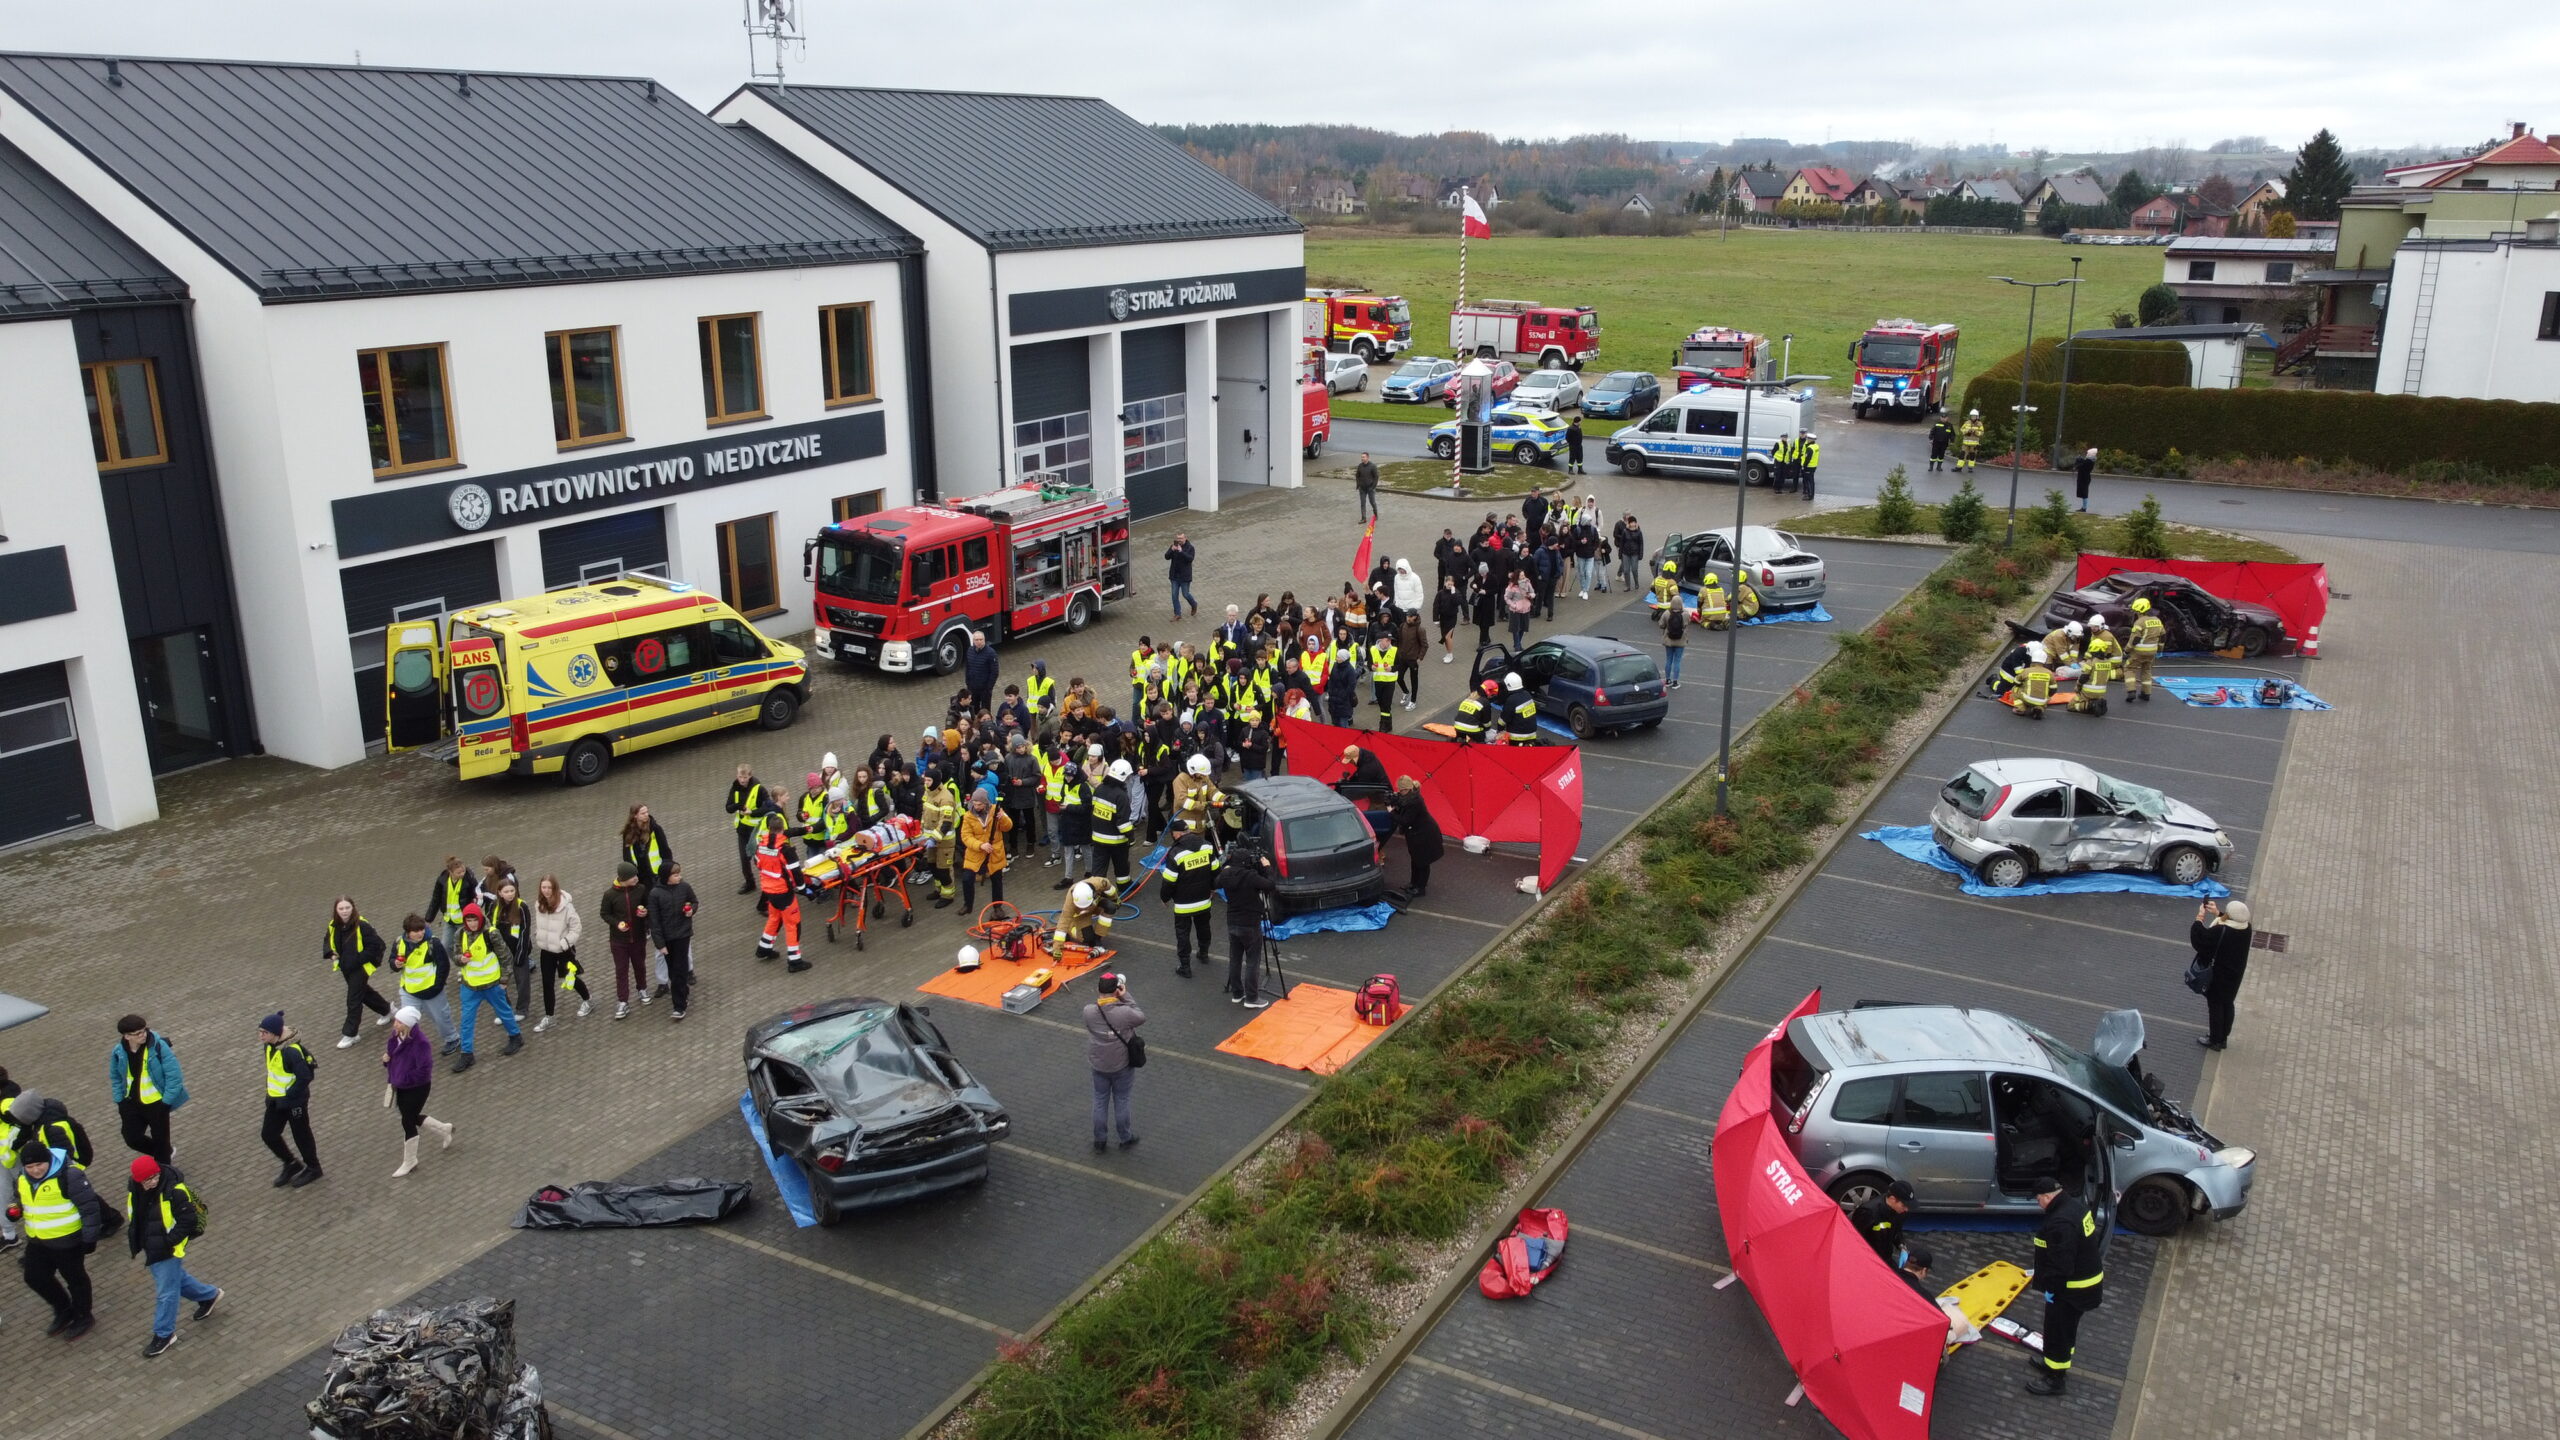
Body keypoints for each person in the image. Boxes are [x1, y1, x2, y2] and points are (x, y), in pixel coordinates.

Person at [125, 1154, 218, 1356]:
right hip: (152, 1246)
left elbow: (188, 1221)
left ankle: (164, 1334)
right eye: (147, 1180)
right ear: (137, 1180)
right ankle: (209, 1296)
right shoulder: (135, 1191)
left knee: (166, 1293)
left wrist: (169, 1241)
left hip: (168, 1249)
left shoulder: (175, 1190)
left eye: (154, 1177)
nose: (152, 1182)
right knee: (176, 1280)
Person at [14, 1136, 103, 1339]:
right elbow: (26, 1202)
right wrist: (18, 1211)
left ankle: (83, 1316)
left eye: (39, 1164)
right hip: (38, 1240)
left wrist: (90, 1238)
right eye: (30, 1166)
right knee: (34, 1277)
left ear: (48, 1160)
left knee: (76, 1280)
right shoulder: (22, 1178)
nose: (35, 1170)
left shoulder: (70, 1176)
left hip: (68, 1241)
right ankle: (64, 1309)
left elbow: (89, 1208)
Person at [2025, 1175, 2105, 1396]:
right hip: (2084, 1285)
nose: (2038, 1203)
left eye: (2038, 1199)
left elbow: (2061, 1266)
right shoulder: (2074, 1207)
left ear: (2048, 1196)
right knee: (2065, 1329)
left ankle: (2055, 1379)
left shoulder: (2061, 1223)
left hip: (2070, 1290)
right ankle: (2054, 1362)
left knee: (2058, 1331)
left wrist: (2051, 1288)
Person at [449, 905, 524, 1072]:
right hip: (470, 986)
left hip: (492, 984)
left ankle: (515, 1036)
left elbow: (506, 957)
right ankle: (467, 1054)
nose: (472, 923)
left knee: (504, 1012)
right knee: (466, 1021)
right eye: (469, 920)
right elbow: (455, 957)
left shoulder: (491, 934)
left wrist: (504, 980)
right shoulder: (459, 934)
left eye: (475, 920)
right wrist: (460, 959)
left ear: (480, 918)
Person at [382, 1007, 453, 1178]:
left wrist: (403, 1078)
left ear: (407, 1024)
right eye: (396, 1020)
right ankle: (444, 1129)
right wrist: (386, 1061)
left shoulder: (421, 1043)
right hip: (401, 1086)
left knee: (408, 1121)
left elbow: (424, 1070)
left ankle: (410, 1161)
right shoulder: (395, 1037)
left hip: (417, 1088)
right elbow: (393, 1060)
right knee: (411, 1117)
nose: (395, 1023)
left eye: (399, 1021)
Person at [109, 1015, 186, 1163]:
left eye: (144, 1030)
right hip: (131, 1103)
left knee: (161, 1141)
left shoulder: (158, 1047)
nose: (143, 1035)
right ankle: (164, 1153)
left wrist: (166, 1101)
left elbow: (174, 1076)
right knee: (132, 1138)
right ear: (126, 1036)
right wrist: (119, 1099)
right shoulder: (119, 1051)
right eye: (138, 1033)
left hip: (157, 1104)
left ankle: (166, 1176)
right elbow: (116, 1076)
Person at [258, 1012, 321, 1188]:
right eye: (260, 1031)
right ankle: (291, 1163)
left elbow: (305, 1076)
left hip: (293, 1102)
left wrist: (289, 1095)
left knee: (301, 1135)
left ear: (276, 1034)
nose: (261, 1035)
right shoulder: (269, 1046)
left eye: (265, 1032)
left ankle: (313, 1167)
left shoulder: (292, 1052)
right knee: (268, 1134)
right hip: (276, 1100)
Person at [1083, 972, 1145, 1151]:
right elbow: (1140, 1016)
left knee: (1100, 1100)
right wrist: (1125, 996)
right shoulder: (1124, 1012)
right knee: (1122, 1100)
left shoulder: (1088, 1011)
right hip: (1121, 1064)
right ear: (1116, 990)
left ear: (1097, 990)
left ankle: (1100, 1140)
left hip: (1098, 1063)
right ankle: (1125, 1137)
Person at [322, 897, 392, 1047]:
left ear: (353, 908)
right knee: (363, 992)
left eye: (347, 908)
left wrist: (358, 960)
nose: (344, 911)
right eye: (341, 909)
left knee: (353, 999)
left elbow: (377, 945)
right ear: (336, 910)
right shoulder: (333, 925)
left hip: (360, 968)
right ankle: (386, 1009)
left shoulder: (362, 925)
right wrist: (330, 953)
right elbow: (327, 940)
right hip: (345, 967)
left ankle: (350, 1034)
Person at [1218, 842, 1277, 1008]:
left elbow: (1215, 882)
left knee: (1235, 959)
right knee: (1252, 960)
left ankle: (1237, 993)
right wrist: (1267, 868)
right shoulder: (1250, 877)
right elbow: (1270, 885)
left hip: (1232, 922)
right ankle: (1252, 998)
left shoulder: (1226, 874)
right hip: (1250, 923)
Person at [529, 875, 589, 1033]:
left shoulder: (566, 907)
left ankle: (588, 1000)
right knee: (547, 983)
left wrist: (565, 943)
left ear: (554, 888)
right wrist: (538, 935)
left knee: (570, 978)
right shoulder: (539, 905)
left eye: (549, 887)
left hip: (563, 951)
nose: (546, 891)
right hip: (546, 950)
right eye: (543, 887)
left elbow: (576, 928)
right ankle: (549, 1016)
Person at [1159, 820, 1219, 978]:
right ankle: (1203, 953)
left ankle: (1185, 967)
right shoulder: (1206, 846)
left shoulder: (1176, 853)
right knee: (1204, 927)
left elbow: (1169, 881)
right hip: (1204, 900)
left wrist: (1164, 898)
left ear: (1177, 834)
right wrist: (1213, 888)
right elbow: (1215, 870)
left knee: (1183, 934)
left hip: (1183, 904)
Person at [2191, 899, 2253, 1050]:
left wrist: (2199, 918)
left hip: (2219, 975)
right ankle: (2223, 1038)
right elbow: (2231, 921)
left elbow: (2200, 940)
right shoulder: (2247, 928)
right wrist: (2218, 913)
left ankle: (2215, 1040)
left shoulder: (2221, 931)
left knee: (2215, 1006)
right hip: (2235, 974)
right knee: (2227, 1004)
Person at [751, 814, 808, 973]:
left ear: (769, 829)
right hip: (784, 892)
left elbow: (757, 862)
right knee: (793, 924)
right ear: (782, 829)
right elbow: (796, 873)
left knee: (774, 918)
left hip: (768, 889)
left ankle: (764, 948)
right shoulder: (785, 849)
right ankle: (795, 961)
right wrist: (804, 889)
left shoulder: (761, 845)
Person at [391, 915, 457, 1051]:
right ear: (408, 932)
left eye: (422, 929)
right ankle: (405, 1047)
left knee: (441, 1018)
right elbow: (392, 961)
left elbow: (443, 966)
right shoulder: (399, 942)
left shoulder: (434, 944)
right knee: (405, 1021)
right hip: (409, 991)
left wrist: (437, 987)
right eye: (416, 931)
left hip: (432, 992)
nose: (420, 933)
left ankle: (452, 1039)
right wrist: (395, 964)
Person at [647, 861, 699, 1021]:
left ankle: (679, 1006)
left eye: (679, 874)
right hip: (666, 938)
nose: (679, 877)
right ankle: (683, 992)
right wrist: (660, 944)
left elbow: (694, 901)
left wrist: (691, 910)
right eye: (676, 875)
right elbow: (654, 921)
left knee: (679, 970)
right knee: (673, 971)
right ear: (667, 877)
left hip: (682, 935)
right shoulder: (655, 894)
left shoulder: (684, 887)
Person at [601, 863, 650, 1016]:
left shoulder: (641, 889)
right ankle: (623, 1001)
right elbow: (604, 914)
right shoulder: (609, 895)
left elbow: (647, 906)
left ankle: (642, 989)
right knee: (621, 970)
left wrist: (645, 912)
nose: (636, 878)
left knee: (639, 965)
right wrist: (617, 924)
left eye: (636, 875)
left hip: (638, 937)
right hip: (618, 941)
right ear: (623, 879)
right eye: (632, 877)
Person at [957, 790, 1012, 915]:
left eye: (980, 805)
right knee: (967, 879)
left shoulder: (996, 810)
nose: (977, 807)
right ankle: (968, 905)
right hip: (976, 853)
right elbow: (966, 836)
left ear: (986, 803)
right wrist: (980, 845)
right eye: (975, 804)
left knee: (997, 880)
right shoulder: (968, 816)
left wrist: (1003, 818)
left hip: (994, 852)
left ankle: (998, 907)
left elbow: (1007, 827)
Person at [488, 877, 536, 1016]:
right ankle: (505, 1010)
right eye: (506, 891)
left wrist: (521, 954)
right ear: (500, 892)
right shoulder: (494, 906)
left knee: (522, 981)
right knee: (500, 983)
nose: (510, 894)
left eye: (512, 890)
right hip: (501, 953)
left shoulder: (522, 906)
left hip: (518, 951)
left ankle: (522, 1009)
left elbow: (525, 932)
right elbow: (489, 928)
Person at [1389, 777, 1442, 898]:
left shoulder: (1415, 801)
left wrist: (1391, 812)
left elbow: (1405, 820)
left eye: (1401, 790)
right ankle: (1413, 884)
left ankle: (1420, 888)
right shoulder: (1408, 798)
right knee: (1415, 859)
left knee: (1423, 861)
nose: (1399, 792)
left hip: (1425, 835)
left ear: (1407, 789)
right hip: (1417, 834)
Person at [725, 763, 773, 893]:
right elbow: (728, 808)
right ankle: (750, 883)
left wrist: (751, 812)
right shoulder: (735, 787)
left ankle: (768, 883)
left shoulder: (759, 789)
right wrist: (739, 806)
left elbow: (768, 808)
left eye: (744, 777)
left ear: (750, 776)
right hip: (742, 830)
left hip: (756, 831)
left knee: (761, 860)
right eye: (740, 776)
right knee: (744, 859)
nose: (742, 780)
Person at [1090, 759, 1136, 884]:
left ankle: (1095, 892)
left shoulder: (1099, 789)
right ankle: (1124, 886)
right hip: (1117, 841)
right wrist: (1131, 836)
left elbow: (1093, 810)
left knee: (1098, 869)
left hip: (1098, 838)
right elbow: (1123, 824)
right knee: (1121, 866)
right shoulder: (1121, 796)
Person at [425, 855, 477, 960]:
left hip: (464, 920)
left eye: (463, 871)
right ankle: (460, 963)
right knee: (445, 946)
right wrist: (429, 919)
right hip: (449, 920)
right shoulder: (442, 880)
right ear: (450, 871)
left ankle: (466, 968)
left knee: (466, 947)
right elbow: (436, 899)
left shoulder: (469, 880)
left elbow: (476, 896)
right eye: (458, 873)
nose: (462, 874)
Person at [1851, 1179, 1914, 1265]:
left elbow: (1897, 1231)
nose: (1906, 1209)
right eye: (1903, 1205)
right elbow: (1854, 1239)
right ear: (1892, 1199)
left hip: (1885, 1258)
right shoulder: (1868, 1213)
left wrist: (1902, 1246)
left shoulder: (1900, 1211)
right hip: (1868, 1260)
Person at [1054, 878, 1118, 959]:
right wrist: (1057, 948)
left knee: (1110, 907)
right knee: (1087, 938)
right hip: (1081, 915)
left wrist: (1115, 899)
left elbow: (1110, 889)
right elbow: (1063, 922)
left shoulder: (1100, 883)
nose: (1085, 907)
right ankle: (1070, 930)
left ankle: (1097, 938)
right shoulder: (1070, 902)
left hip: (1095, 905)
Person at [2125, 598, 2166, 702]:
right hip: (2152, 652)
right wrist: (2160, 650)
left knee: (2129, 668)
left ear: (2139, 611)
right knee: (2146, 670)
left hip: (2139, 652)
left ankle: (2131, 691)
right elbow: (2163, 637)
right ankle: (2146, 693)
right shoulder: (2157, 620)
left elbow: (2134, 639)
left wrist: (2126, 650)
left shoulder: (2139, 622)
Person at [1162, 531, 1200, 617]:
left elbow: (1190, 559)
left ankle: (1194, 604)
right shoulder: (1173, 546)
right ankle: (1177, 614)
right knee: (1174, 595)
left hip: (1185, 577)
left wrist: (1181, 551)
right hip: (1174, 576)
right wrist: (1171, 550)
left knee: (1185, 594)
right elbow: (1166, 557)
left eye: (1181, 538)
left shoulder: (1190, 548)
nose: (1179, 540)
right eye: (1178, 538)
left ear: (1185, 538)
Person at [1367, 630, 1399, 732]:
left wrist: (1392, 668)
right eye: (1387, 640)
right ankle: (1389, 724)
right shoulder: (1372, 649)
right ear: (1381, 640)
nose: (1389, 642)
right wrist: (1371, 667)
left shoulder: (1394, 650)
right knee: (1381, 703)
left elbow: (1400, 665)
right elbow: (1369, 663)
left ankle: (1383, 725)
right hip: (1378, 681)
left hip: (1390, 682)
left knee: (1386, 703)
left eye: (1390, 640)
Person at [2014, 642, 2054, 720]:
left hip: (2027, 698)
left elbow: (2016, 682)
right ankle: (2039, 708)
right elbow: (2054, 688)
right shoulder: (2049, 673)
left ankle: (2020, 708)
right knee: (2043, 698)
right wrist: (2047, 695)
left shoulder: (2026, 671)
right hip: (2043, 700)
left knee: (2015, 689)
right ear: (2044, 661)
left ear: (2032, 659)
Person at [965, 629, 1000, 716]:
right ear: (973, 641)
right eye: (977, 640)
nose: (979, 642)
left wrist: (988, 687)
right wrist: (968, 682)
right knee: (973, 710)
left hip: (985, 689)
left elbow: (994, 672)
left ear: (984, 640)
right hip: (973, 688)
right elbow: (967, 667)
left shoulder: (991, 653)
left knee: (985, 711)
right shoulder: (970, 651)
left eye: (981, 639)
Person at [1501, 671, 1541, 744]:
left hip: (1517, 737)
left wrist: (1499, 731)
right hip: (1532, 735)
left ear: (1508, 685)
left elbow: (1503, 720)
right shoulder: (1527, 695)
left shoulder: (1511, 700)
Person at [1452, 678, 1496, 743]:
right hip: (1472, 729)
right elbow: (1486, 723)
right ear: (1489, 692)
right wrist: (1487, 730)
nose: (1491, 696)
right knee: (1481, 740)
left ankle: (1459, 741)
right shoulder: (1485, 702)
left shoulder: (1469, 697)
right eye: (1492, 695)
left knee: (1461, 742)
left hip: (1458, 726)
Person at [1613, 512, 1645, 594]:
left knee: (1634, 569)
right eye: (1631, 522)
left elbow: (1641, 543)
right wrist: (1620, 554)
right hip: (1625, 553)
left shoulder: (1639, 532)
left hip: (1635, 554)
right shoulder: (1625, 531)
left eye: (1634, 522)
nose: (1633, 524)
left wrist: (1640, 554)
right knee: (1626, 570)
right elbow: (1622, 543)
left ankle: (1636, 583)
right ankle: (1627, 586)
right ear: (1629, 523)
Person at [1662, 595, 1688, 690]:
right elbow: (1686, 624)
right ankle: (1675, 681)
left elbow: (1661, 624)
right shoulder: (1685, 614)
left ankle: (1668, 680)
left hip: (1668, 640)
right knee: (1677, 661)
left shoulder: (1666, 613)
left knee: (1669, 659)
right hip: (1680, 641)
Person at [1957, 408, 1984, 473]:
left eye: (1974, 416)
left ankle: (1970, 468)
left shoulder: (1979, 424)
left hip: (1974, 444)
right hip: (1965, 443)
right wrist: (1967, 431)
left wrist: (1975, 432)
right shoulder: (1967, 422)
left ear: (1977, 417)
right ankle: (1959, 467)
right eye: (1972, 416)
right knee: (1962, 455)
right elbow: (1962, 429)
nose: (1973, 417)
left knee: (1972, 456)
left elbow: (1982, 433)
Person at [2074, 446, 2097, 511]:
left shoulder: (2088, 461)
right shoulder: (2090, 461)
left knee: (2084, 493)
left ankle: (2084, 508)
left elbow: (2081, 467)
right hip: (2086, 478)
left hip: (2084, 478)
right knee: (2084, 493)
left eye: (2088, 453)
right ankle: (2084, 507)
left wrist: (2078, 462)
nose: (2087, 454)